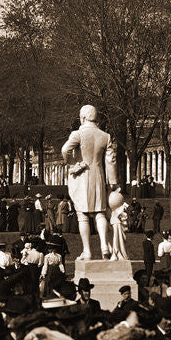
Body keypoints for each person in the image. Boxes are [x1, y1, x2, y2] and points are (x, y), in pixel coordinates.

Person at [61, 105, 119, 261]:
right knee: (100, 213)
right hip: (98, 176)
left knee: (83, 215)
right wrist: (112, 182)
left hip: (82, 177)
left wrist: (74, 164)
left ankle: (87, 251)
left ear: (83, 117)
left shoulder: (78, 134)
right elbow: (111, 160)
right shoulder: (105, 136)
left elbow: (65, 150)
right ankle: (104, 245)